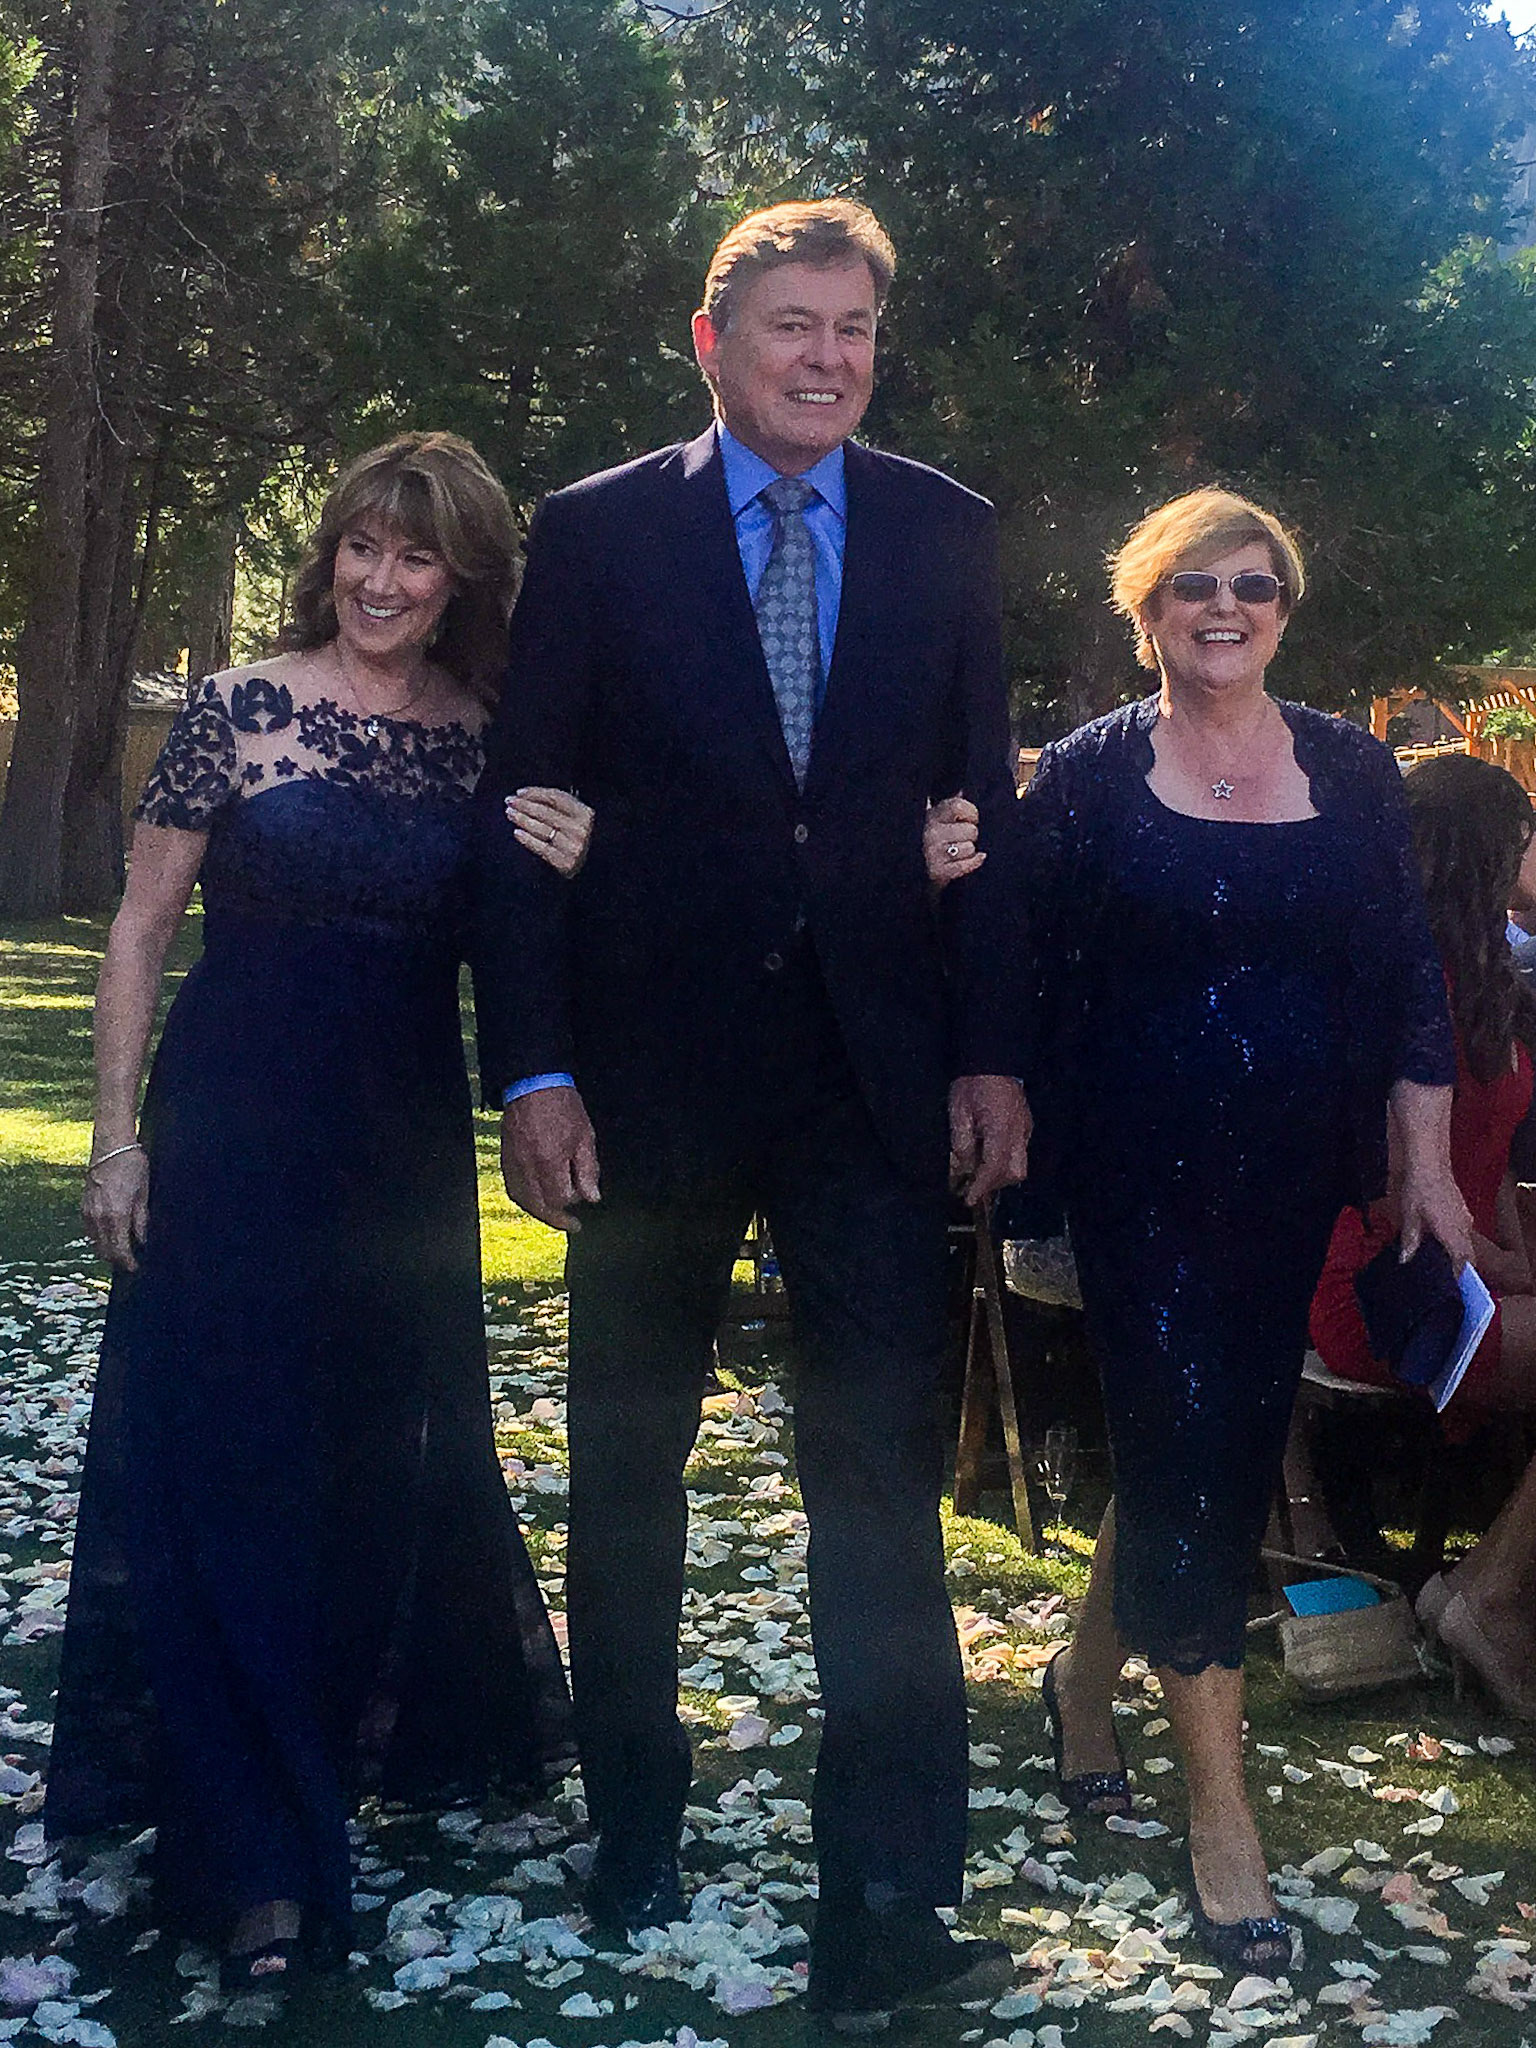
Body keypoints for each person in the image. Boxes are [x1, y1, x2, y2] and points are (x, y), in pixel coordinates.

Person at [472, 199, 1029, 2030]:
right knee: (627, 1466)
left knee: (879, 1479)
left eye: (855, 329)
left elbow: (980, 823)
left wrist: (989, 1053)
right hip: (648, 1081)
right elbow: (524, 818)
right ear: (710, 340)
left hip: (868, 1081)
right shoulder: (598, 531)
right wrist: (534, 1069)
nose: (828, 360)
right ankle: (634, 1820)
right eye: (794, 325)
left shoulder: (946, 531)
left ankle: (888, 1886)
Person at [50, 432, 591, 1987]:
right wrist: (114, 1142)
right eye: (362, 545)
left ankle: (320, 1750)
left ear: (461, 581)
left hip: (398, 1161)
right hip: (229, 1136)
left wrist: (587, 858)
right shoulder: (237, 707)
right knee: (225, 1465)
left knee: (366, 1476)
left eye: (416, 556)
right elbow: (141, 927)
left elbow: (544, 953)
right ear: (328, 556)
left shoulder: (492, 744)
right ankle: (257, 1864)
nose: (381, 579)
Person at [934, 486, 1468, 1974]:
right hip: (1137, 1171)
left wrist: (1427, 1166)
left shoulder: (1352, 768)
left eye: (1255, 585)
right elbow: (1007, 955)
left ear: (1285, 608)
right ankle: (1222, 1821)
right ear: (1147, 609)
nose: (1225, 607)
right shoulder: (1091, 774)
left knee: (1206, 1439)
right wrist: (996, 1094)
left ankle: (1081, 1682)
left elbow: (1407, 979)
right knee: (1189, 1446)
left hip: (1292, 1173)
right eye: (1194, 586)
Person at [1309, 753, 1536, 1718]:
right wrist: (1511, 1271)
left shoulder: (1490, 976)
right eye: (1525, 835)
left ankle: (1482, 1587)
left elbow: (1497, 1169)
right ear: (1489, 850)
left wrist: (1520, 1261)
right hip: (1394, 1282)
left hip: (1472, 1269)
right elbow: (1409, 1193)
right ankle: (1486, 1601)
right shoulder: (1408, 986)